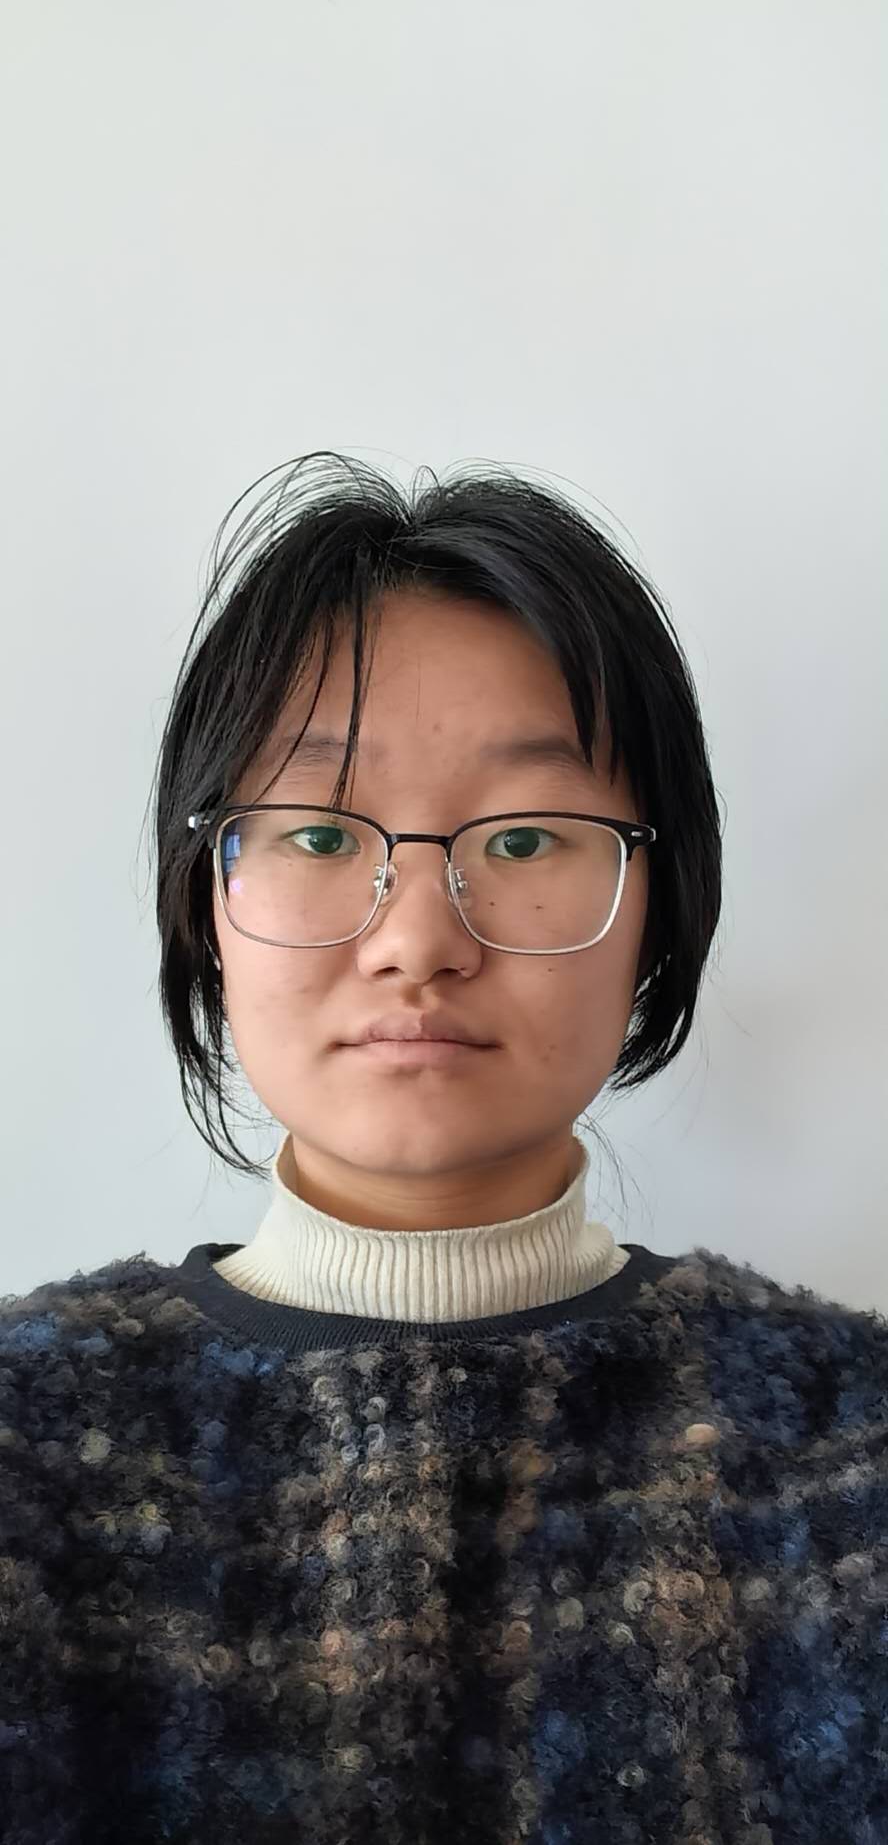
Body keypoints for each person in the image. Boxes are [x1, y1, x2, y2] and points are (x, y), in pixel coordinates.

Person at [2, 452, 885, 1843]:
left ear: (659, 910)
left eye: (524, 838)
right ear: (206, 904)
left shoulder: (851, 1444)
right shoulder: (29, 1439)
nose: (417, 939)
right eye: (317, 832)